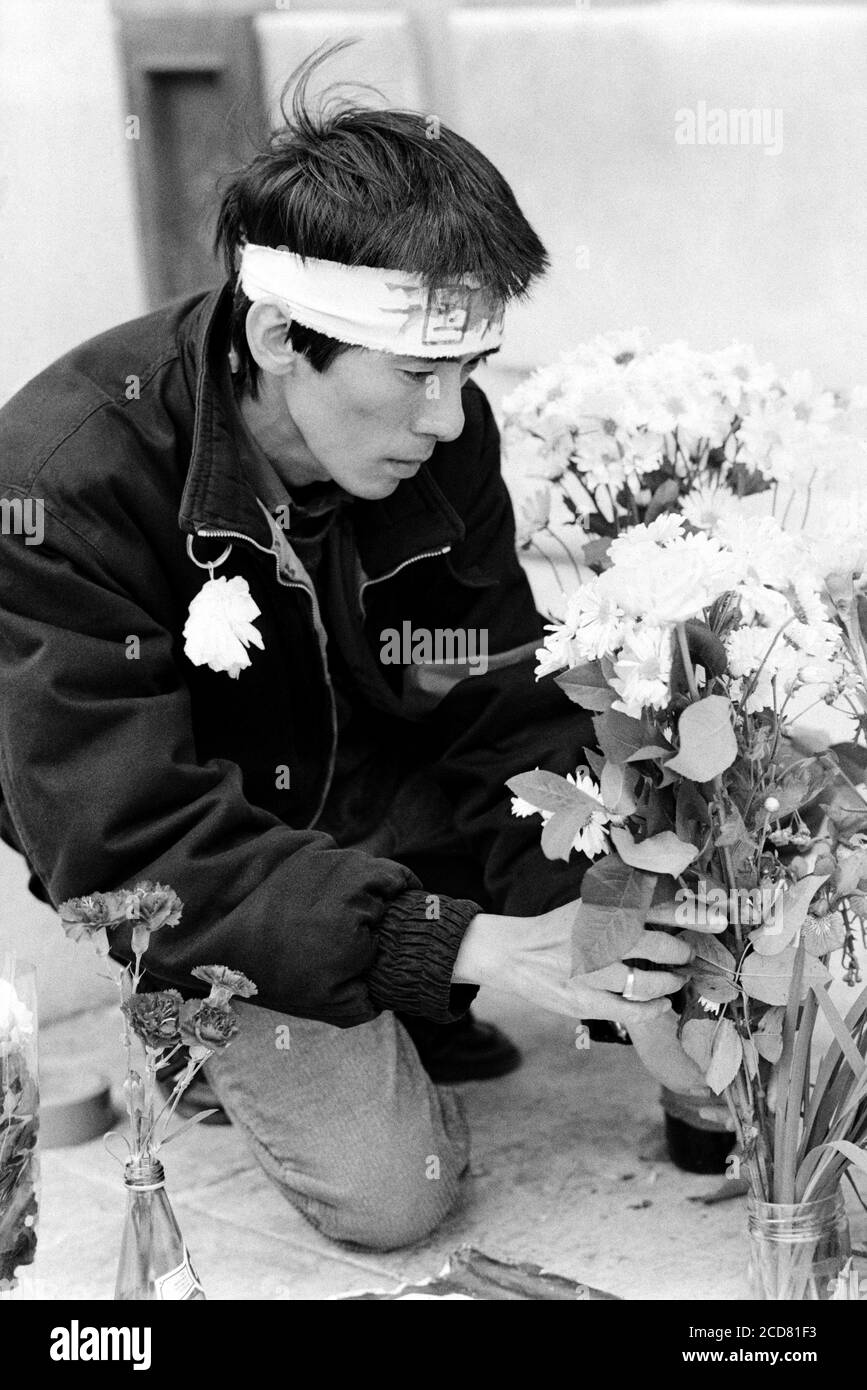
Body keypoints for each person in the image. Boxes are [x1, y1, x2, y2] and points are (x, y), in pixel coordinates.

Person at [0, 47, 704, 1251]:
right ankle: (213, 1018)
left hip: (380, 793)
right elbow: (126, 839)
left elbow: (493, 696)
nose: (449, 418)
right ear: (279, 334)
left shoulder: (439, 430)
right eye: (419, 373)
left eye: (468, 371)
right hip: (209, 864)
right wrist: (459, 943)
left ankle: (390, 975)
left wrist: (608, 920)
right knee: (395, 1194)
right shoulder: (60, 482)